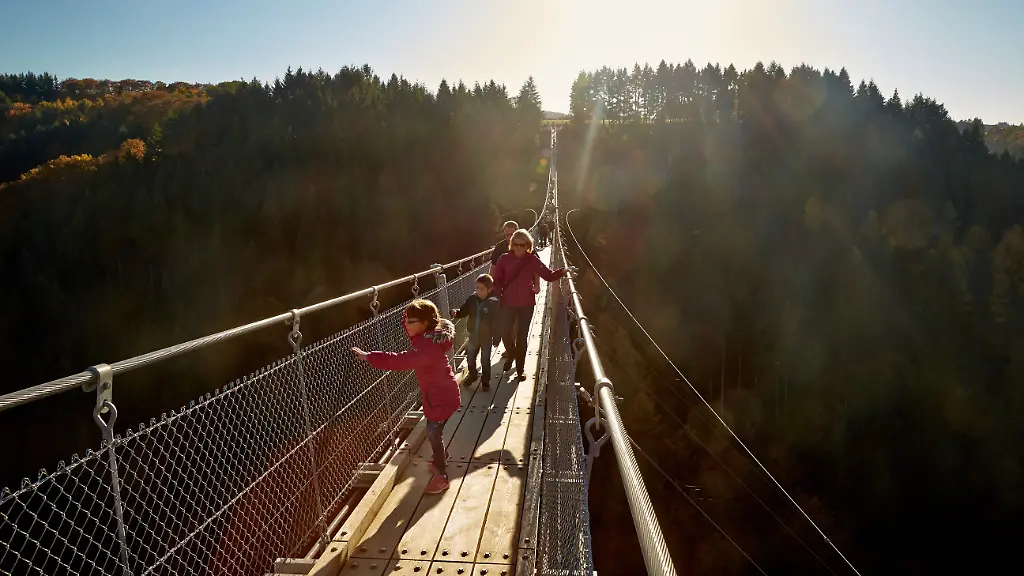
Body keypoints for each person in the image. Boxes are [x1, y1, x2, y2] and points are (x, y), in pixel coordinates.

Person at [351, 299, 458, 494]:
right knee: (435, 430)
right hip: (441, 395)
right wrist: (410, 310)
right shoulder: (427, 336)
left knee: (433, 431)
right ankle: (441, 454)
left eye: (411, 322)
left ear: (425, 323)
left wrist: (369, 357)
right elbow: (409, 322)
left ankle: (442, 476)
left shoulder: (427, 349)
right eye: (406, 321)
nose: (406, 325)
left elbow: (399, 360)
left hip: (441, 398)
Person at [492, 229, 573, 379]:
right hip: (507, 303)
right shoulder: (503, 259)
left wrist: (564, 271)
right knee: (505, 332)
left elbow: (548, 275)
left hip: (526, 304)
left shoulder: (532, 260)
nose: (518, 248)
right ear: (511, 244)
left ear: (528, 245)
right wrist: (497, 295)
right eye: (515, 244)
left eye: (522, 245)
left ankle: (520, 370)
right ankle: (511, 354)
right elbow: (497, 281)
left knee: (522, 337)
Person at [450, 274, 500, 391]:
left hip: (486, 337)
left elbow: (497, 322)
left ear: (489, 289)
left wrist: (497, 337)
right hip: (473, 335)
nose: (478, 291)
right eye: (476, 288)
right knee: (470, 357)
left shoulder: (493, 303)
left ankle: (485, 380)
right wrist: (457, 313)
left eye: (481, 289)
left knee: (485, 359)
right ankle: (473, 375)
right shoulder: (472, 299)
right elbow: (464, 310)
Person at [490, 220, 519, 360]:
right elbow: (493, 268)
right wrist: (491, 286)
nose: (509, 237)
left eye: (512, 234)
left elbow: (535, 265)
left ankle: (516, 350)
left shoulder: (524, 245)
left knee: (517, 323)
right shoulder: (499, 247)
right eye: (506, 234)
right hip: (503, 291)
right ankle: (510, 350)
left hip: (521, 292)